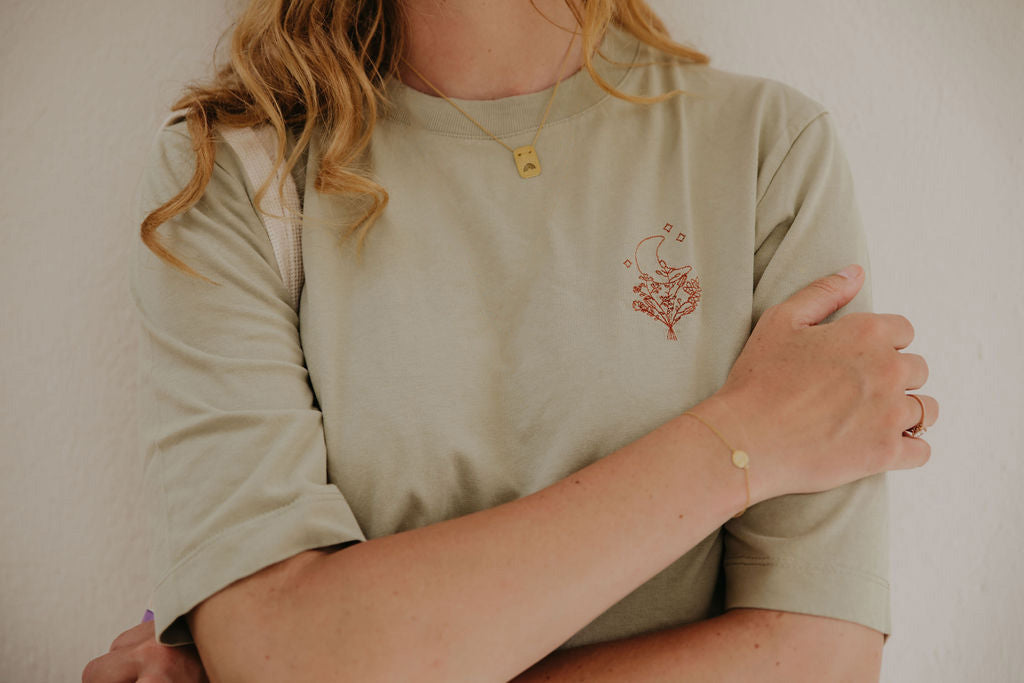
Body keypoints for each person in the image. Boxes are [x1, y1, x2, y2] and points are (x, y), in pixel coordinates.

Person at [84, 0, 938, 680]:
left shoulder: (766, 151)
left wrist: (350, 655)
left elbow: (819, 658)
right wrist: (743, 440)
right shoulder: (231, 175)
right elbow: (283, 651)